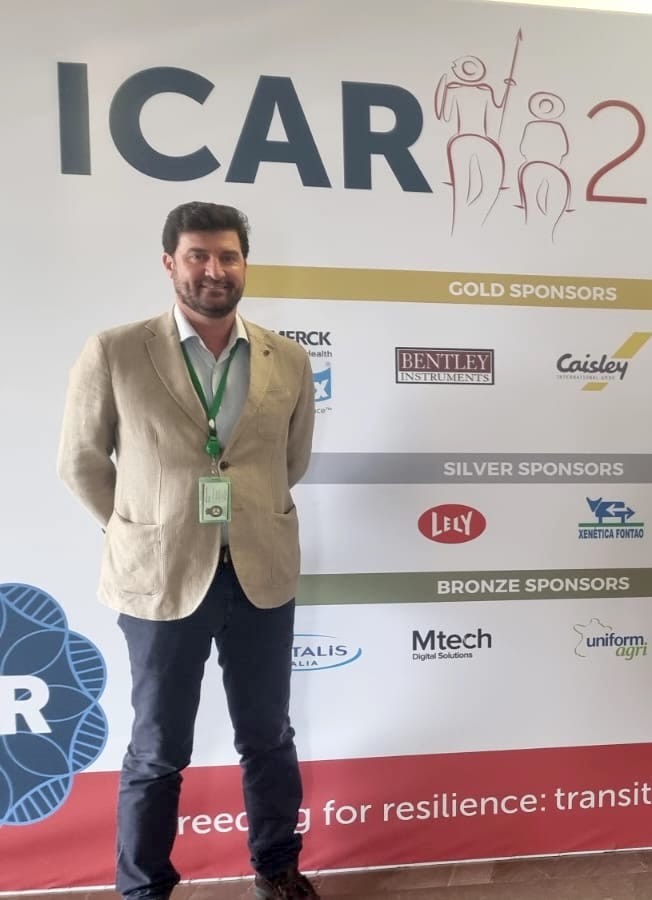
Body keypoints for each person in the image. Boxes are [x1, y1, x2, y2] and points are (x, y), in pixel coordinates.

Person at [57, 202, 320, 900]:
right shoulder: (116, 351)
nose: (214, 269)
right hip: (160, 578)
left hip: (260, 574)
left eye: (228, 255)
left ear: (244, 264)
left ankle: (277, 868)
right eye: (198, 255)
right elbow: (81, 462)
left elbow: (290, 461)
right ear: (170, 262)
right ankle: (144, 889)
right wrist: (139, 530)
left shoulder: (288, 358)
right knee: (158, 748)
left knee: (268, 735)